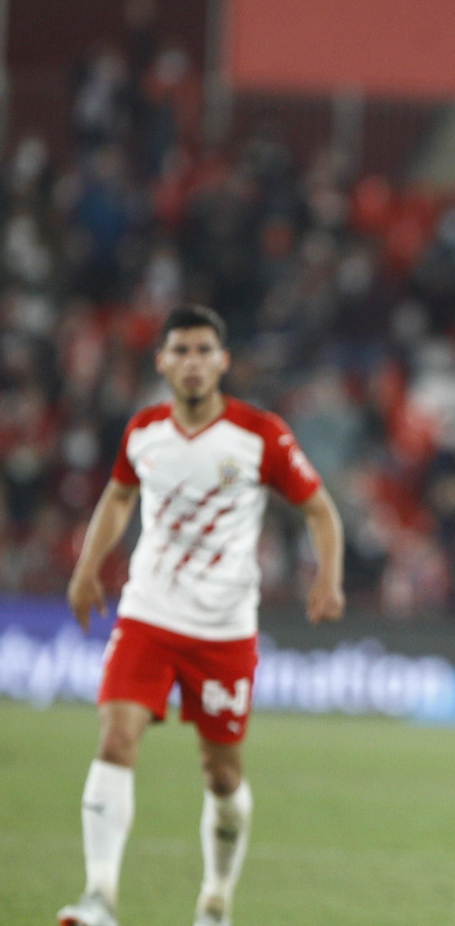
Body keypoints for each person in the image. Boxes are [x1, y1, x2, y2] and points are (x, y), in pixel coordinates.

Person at [58, 305, 345, 926]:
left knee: (221, 774)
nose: (192, 362)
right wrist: (87, 567)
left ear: (223, 361)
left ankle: (215, 901)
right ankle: (99, 896)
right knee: (116, 736)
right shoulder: (144, 431)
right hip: (149, 612)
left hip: (223, 628)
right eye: (181, 351)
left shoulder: (260, 435)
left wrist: (328, 576)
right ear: (162, 361)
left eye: (203, 351)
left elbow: (319, 509)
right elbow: (119, 496)